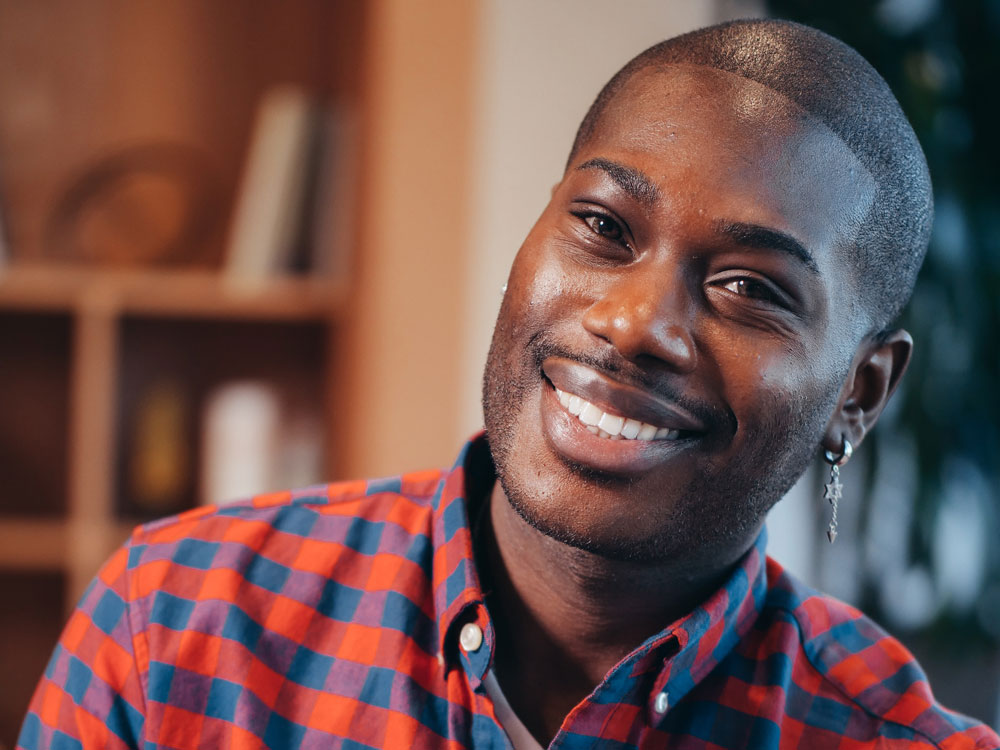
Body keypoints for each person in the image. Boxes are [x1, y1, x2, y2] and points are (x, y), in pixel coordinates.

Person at [17, 18, 1000, 750]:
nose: (631, 323)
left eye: (750, 288)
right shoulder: (177, 624)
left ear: (859, 393)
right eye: (604, 227)